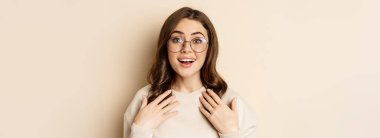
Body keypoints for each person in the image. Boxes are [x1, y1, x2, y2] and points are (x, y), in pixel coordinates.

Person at [124, 7, 256, 138]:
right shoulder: (144, 100)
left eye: (197, 40)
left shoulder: (231, 102)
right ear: (166, 45)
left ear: (209, 48)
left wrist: (230, 133)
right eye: (176, 39)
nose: (186, 49)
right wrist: (140, 131)